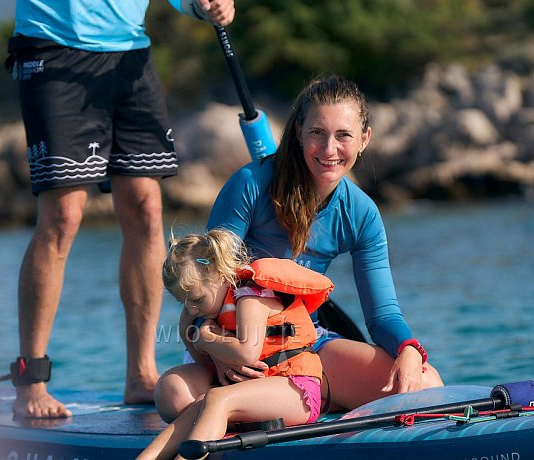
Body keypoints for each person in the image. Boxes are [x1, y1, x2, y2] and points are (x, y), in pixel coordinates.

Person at [154, 74, 443, 422]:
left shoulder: (362, 213)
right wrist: (219, 354)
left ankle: (303, 399)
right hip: (229, 341)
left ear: (364, 139)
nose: (329, 149)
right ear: (298, 133)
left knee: (426, 383)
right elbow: (203, 282)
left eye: (344, 135)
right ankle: (296, 401)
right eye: (317, 133)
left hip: (304, 345)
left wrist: (408, 349)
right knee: (173, 394)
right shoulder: (250, 184)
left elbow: (382, 316)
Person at [8, 0, 236, 418]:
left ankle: (140, 374)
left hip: (130, 55)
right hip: (54, 49)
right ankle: (31, 383)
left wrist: (199, 5)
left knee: (147, 211)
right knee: (63, 217)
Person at [137, 229, 329, 459]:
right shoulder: (212, 304)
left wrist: (207, 338)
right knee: (203, 404)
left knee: (218, 399)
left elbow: (247, 353)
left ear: (220, 275)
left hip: (297, 390)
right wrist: (195, 335)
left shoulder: (250, 297)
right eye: (183, 302)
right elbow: (202, 360)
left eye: (197, 300)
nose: (190, 309)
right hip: (261, 389)